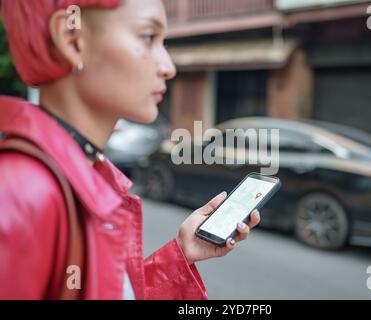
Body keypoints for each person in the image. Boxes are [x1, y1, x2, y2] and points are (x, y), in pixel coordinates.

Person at [0, 0, 260, 300]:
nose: (168, 67)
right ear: (71, 39)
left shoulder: (81, 174)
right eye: (148, 37)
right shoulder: (20, 193)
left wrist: (182, 254)